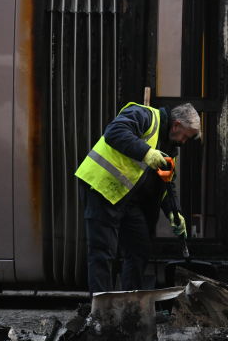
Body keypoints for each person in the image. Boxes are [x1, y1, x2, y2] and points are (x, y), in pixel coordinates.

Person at [76, 102, 201, 293]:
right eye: (185, 135)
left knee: (139, 248)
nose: (184, 141)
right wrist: (146, 152)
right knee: (103, 251)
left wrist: (175, 214)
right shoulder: (144, 115)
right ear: (176, 125)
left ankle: (131, 305)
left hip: (127, 198)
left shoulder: (170, 147)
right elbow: (114, 132)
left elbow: (166, 185)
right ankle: (101, 311)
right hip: (101, 188)